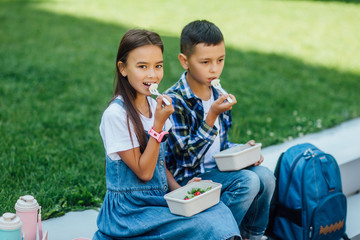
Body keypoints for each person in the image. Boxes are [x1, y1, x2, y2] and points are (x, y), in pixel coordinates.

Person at [93, 29, 240, 240]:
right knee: (204, 224)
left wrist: (181, 192)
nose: (152, 75)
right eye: (142, 66)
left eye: (158, 66)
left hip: (159, 199)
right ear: (123, 68)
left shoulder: (155, 106)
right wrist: (158, 125)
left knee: (218, 210)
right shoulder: (116, 115)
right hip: (129, 212)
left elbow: (159, 166)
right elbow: (144, 172)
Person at [164, 20, 276, 240]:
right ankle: (218, 234)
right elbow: (185, 158)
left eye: (220, 60)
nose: (214, 69)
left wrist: (243, 151)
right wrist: (212, 115)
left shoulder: (218, 94)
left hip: (216, 169)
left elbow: (220, 146)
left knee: (266, 176)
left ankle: (251, 235)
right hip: (190, 177)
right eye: (205, 62)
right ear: (184, 61)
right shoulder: (174, 101)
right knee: (248, 181)